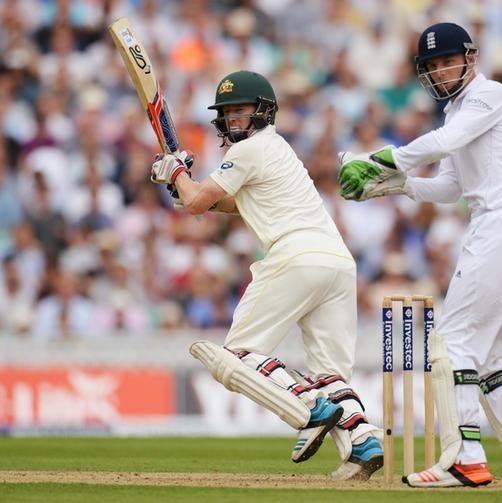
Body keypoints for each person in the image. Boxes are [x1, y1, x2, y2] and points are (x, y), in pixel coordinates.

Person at [338, 23, 502, 488]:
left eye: (446, 60)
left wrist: (376, 160)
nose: (439, 70)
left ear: (470, 58)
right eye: (431, 65)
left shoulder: (488, 94)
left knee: (452, 343)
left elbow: (442, 144)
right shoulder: (459, 108)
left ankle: (466, 458)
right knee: (489, 353)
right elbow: (452, 184)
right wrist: (396, 186)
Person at [150, 70, 383, 480]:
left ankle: (308, 406)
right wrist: (182, 183)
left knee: (236, 355)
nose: (233, 120)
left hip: (295, 257)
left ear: (264, 111)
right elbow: (224, 204)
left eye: (240, 110)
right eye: (227, 113)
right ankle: (363, 442)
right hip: (337, 263)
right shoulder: (278, 152)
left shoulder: (250, 150)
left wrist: (176, 176)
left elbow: (196, 203)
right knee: (330, 373)